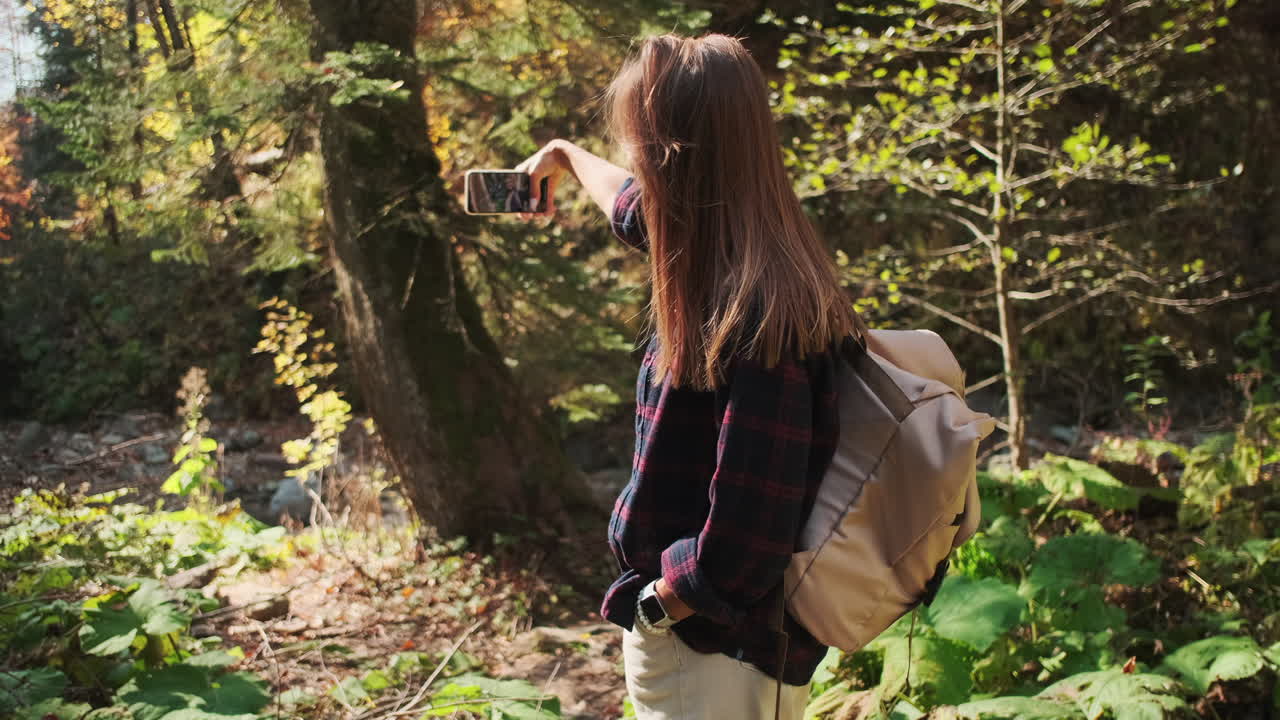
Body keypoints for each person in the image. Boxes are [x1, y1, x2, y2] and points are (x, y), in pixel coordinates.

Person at [516, 33, 857, 720]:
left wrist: (657, 605)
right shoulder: (727, 246)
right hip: (728, 650)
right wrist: (563, 157)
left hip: (711, 653)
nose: (629, 159)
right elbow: (628, 205)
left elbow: (745, 540)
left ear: (671, 154)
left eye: (635, 141)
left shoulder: (752, 315)